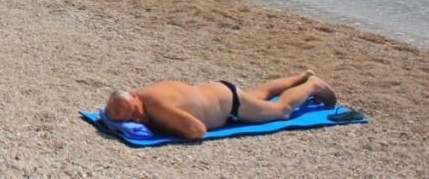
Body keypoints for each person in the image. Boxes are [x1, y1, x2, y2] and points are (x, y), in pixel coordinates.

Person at [103, 71, 337, 140]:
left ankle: (313, 85)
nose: (137, 119)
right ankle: (302, 76)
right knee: (262, 93)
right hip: (218, 90)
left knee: (283, 110)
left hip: (231, 106)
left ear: (135, 97)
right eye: (130, 120)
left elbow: (197, 131)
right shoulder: (143, 93)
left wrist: (157, 126)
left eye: (134, 114)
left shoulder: (157, 107)